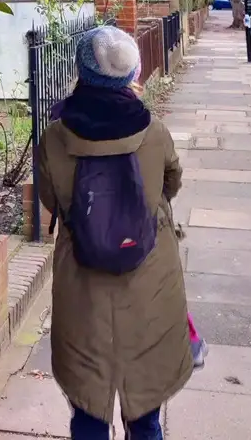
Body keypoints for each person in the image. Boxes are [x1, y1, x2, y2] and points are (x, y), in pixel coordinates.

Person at [38, 25, 194, 440]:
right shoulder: (153, 130)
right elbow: (171, 183)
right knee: (145, 410)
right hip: (149, 276)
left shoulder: (55, 137)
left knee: (88, 405)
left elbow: (51, 199)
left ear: (81, 71)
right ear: (130, 76)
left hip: (83, 282)